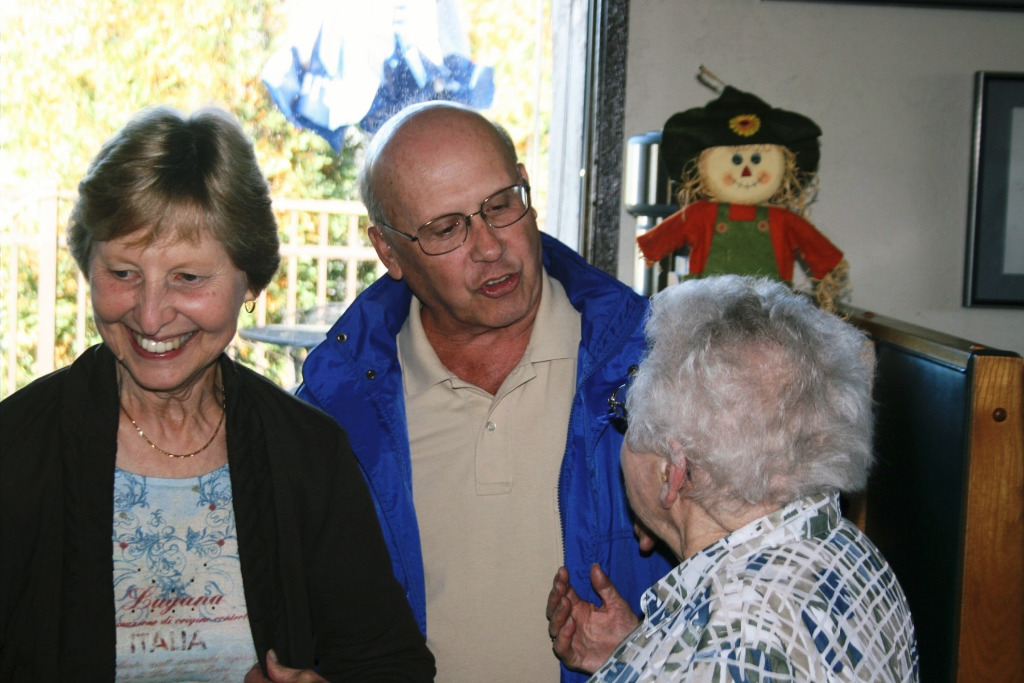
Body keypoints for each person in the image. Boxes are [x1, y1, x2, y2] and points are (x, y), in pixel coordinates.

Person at [0, 106, 434, 681]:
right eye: (124, 273)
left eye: (188, 277)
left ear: (249, 280)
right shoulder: (15, 449)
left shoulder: (308, 454)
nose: (151, 316)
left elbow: (391, 666)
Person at [295, 101, 673, 681]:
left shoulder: (656, 370)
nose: (491, 246)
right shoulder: (333, 412)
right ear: (388, 251)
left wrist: (657, 658)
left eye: (501, 205)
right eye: (446, 229)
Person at [546, 274, 920, 681]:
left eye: (627, 413)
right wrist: (639, 651)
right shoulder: (848, 552)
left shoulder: (728, 649)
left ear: (674, 472)